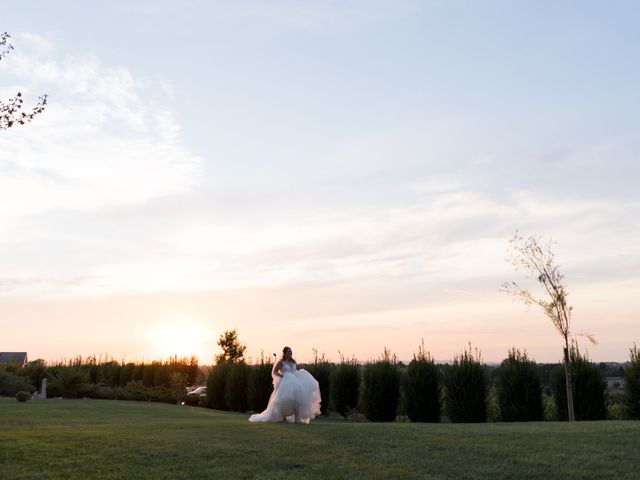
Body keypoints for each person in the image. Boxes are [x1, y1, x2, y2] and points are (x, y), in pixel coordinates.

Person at [249, 346, 321, 424]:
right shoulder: (281, 362)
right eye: (288, 352)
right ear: (285, 353)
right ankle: (283, 416)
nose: (290, 353)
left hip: (294, 383)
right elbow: (274, 372)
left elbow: (294, 371)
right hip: (285, 383)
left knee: (297, 400)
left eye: (291, 352)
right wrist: (282, 376)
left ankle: (297, 419)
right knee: (283, 400)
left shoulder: (293, 362)